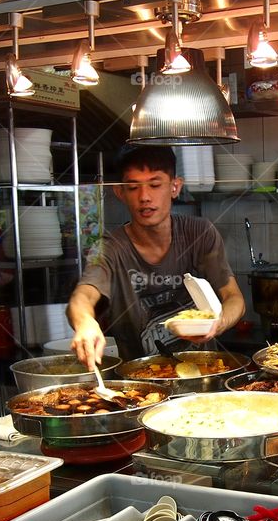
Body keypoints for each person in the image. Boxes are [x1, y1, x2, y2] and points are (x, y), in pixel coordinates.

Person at [67, 146, 246, 368]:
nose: (144, 197)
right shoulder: (108, 249)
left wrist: (218, 324)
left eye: (155, 185)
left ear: (175, 187)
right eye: (133, 187)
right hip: (141, 381)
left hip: (205, 373)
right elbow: (83, 296)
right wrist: (85, 322)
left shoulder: (199, 233)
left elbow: (234, 298)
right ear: (120, 193)